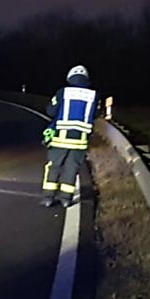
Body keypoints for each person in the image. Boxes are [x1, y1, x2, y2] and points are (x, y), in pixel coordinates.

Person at [41, 65, 97, 207]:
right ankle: (66, 199)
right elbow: (95, 115)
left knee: (54, 166)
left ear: (70, 77)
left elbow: (51, 111)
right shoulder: (93, 95)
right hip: (80, 141)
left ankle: (48, 198)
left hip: (60, 138)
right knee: (72, 169)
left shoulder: (63, 92)